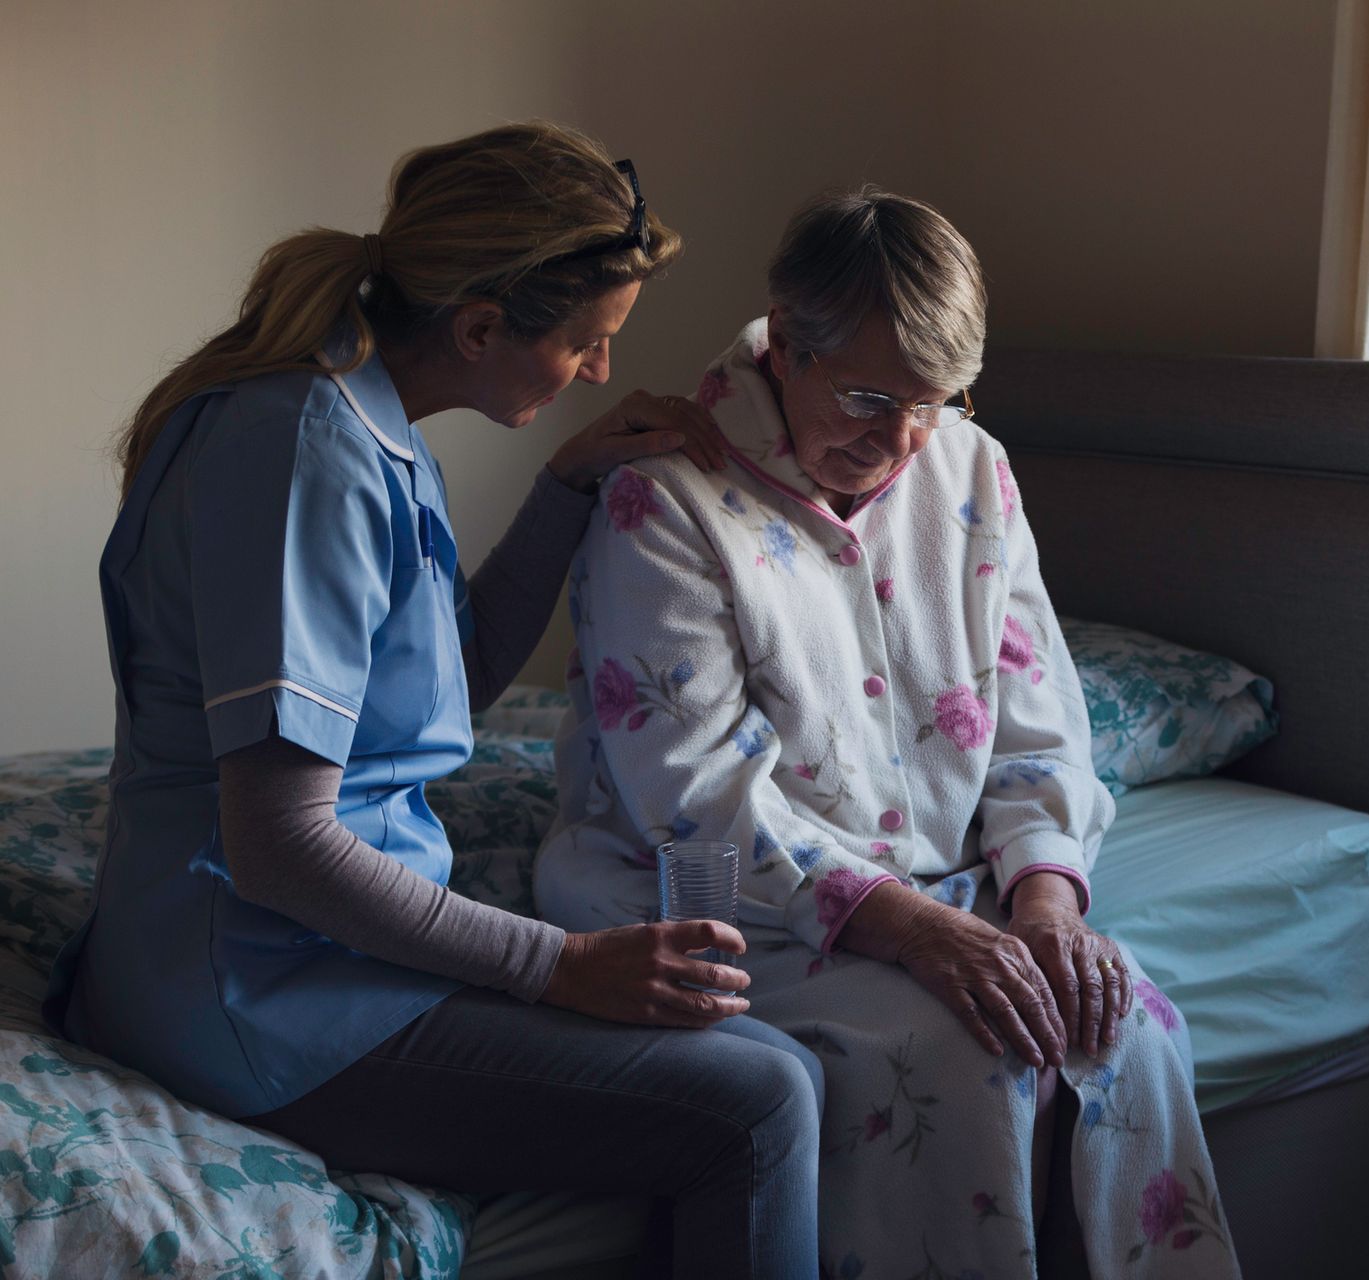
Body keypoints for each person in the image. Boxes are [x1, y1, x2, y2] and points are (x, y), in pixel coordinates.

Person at [46, 122, 822, 1280]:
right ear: (479, 328)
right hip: (255, 987)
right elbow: (279, 844)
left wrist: (568, 484)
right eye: (586, 341)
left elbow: (443, 676)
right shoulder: (304, 451)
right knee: (758, 1101)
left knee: (778, 1061)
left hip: (314, 952)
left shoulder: (365, 417)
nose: (598, 369)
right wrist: (561, 962)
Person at [535, 188, 1241, 1279]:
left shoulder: (971, 464)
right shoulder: (666, 497)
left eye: (935, 400)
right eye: (870, 396)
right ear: (785, 343)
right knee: (960, 1063)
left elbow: (1036, 721)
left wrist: (1045, 906)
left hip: (945, 888)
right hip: (727, 911)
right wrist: (910, 930)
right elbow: (697, 795)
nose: (903, 439)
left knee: (1122, 1028)